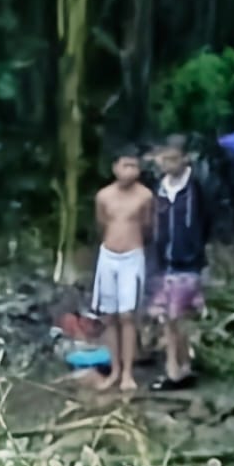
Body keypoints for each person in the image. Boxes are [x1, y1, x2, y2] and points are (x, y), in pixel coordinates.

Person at [148, 135, 211, 391]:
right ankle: (183, 367)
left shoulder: (196, 188)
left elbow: (207, 221)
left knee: (173, 318)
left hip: (189, 263)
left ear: (185, 159)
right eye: (163, 159)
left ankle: (173, 373)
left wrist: (199, 252)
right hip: (167, 263)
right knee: (172, 319)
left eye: (172, 158)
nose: (167, 164)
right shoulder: (160, 189)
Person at [90, 146, 154, 392]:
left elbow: (148, 226)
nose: (130, 171)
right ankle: (114, 369)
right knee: (109, 316)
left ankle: (128, 372)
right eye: (125, 165)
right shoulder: (103, 196)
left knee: (128, 316)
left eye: (134, 166)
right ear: (115, 167)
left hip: (132, 257)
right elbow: (101, 222)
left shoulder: (145, 196)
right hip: (108, 256)